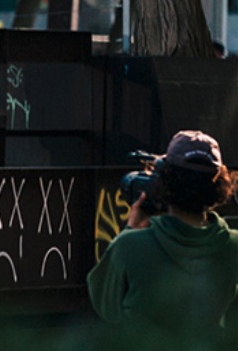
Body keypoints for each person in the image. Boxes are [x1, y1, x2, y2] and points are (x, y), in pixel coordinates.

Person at [88, 130, 238, 330]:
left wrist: (130, 229)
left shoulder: (129, 246)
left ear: (165, 180)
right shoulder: (232, 247)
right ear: (219, 185)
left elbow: (106, 307)